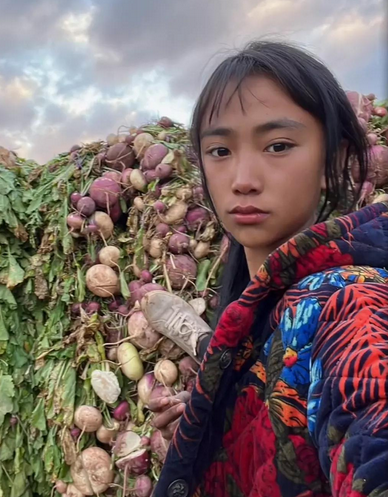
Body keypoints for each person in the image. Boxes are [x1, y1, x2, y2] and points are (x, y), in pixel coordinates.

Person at [142, 41, 388, 497]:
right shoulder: (272, 293)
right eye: (219, 151)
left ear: (332, 160)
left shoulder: (352, 306)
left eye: (278, 145)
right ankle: (216, 361)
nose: (242, 179)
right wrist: (214, 421)